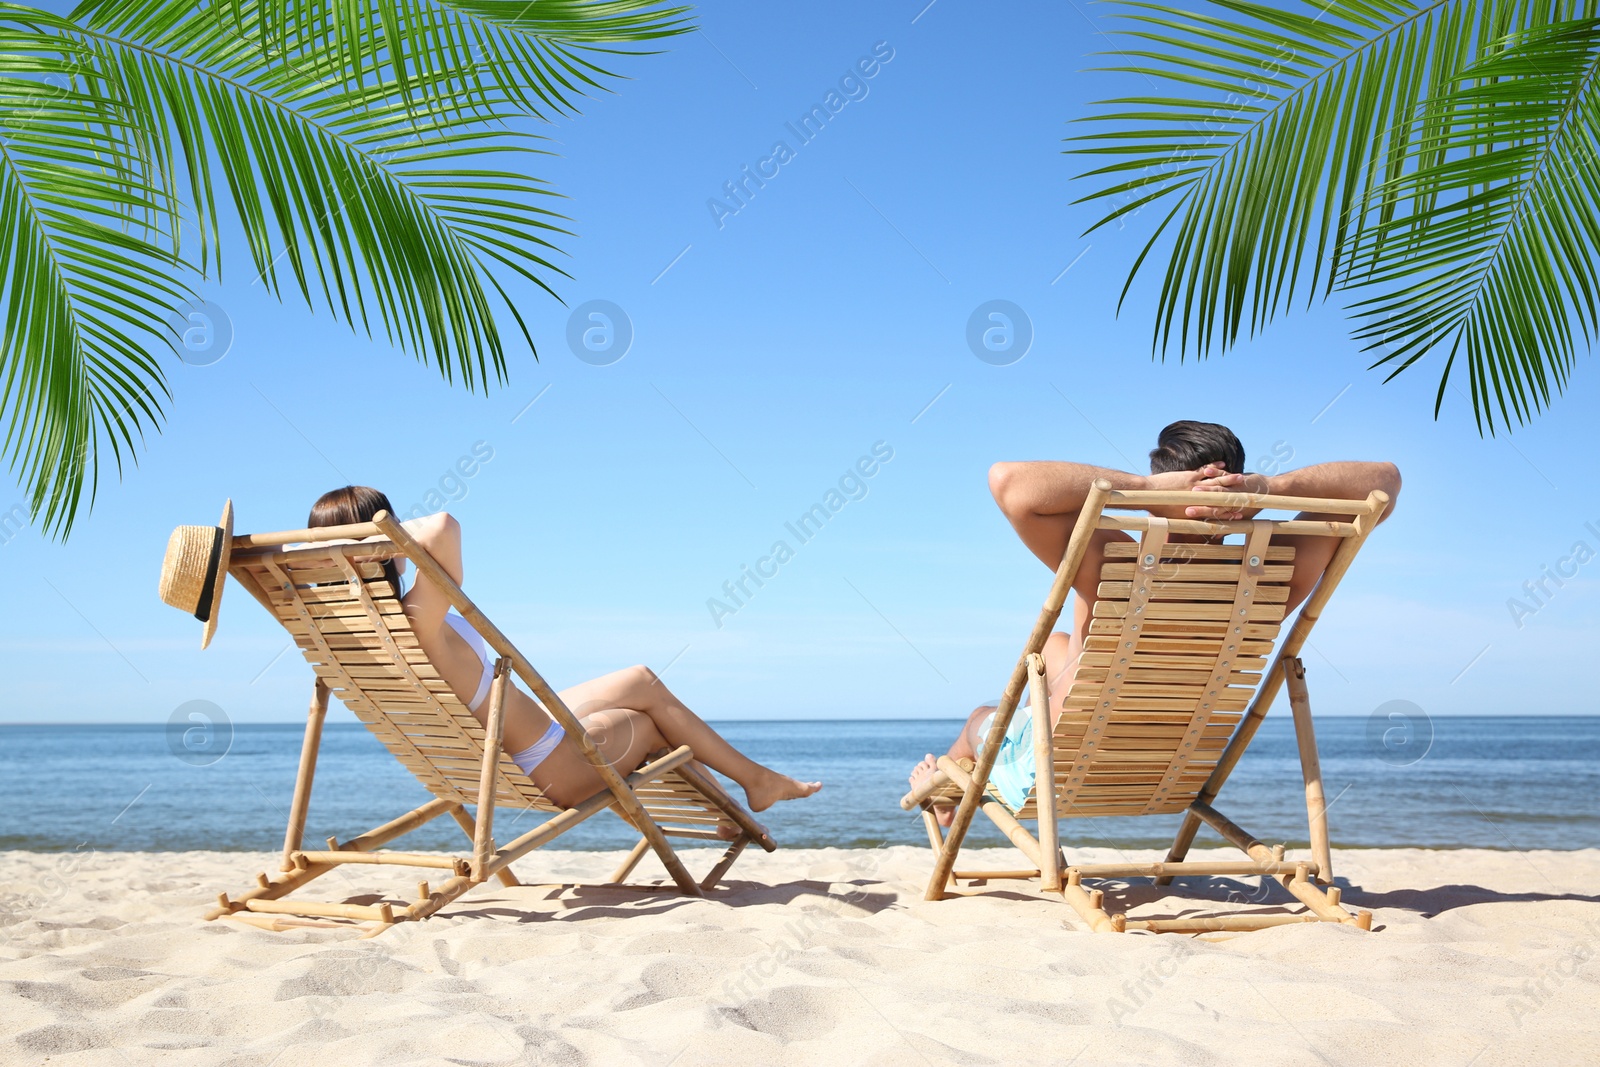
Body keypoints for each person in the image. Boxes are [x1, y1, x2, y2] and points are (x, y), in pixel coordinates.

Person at [909, 420, 1401, 823]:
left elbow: (1009, 482)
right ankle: (958, 774)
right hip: (1167, 767)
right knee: (1062, 645)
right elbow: (1386, 482)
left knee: (981, 717)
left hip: (1056, 767)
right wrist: (1269, 490)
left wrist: (1144, 490)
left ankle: (949, 785)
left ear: (1168, 483)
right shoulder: (1273, 575)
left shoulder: (1116, 563)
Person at [307, 486, 822, 816]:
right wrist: (380, 536)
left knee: (639, 679)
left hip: (527, 744)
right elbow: (443, 525)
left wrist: (337, 550)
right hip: (552, 768)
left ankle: (748, 789)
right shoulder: (417, 620)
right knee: (653, 717)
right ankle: (751, 789)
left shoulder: (354, 631)